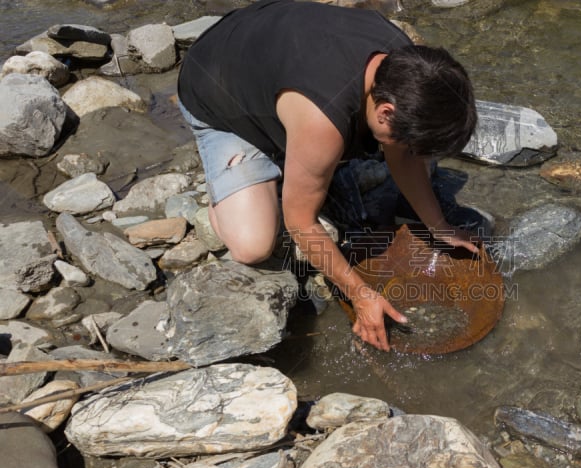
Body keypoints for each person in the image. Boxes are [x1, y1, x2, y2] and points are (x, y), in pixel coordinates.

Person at [178, 0, 478, 351]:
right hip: (214, 89)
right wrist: (359, 294)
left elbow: (405, 158)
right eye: (409, 143)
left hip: (269, 48)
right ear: (385, 112)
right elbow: (300, 222)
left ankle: (291, 151)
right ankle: (228, 188)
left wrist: (438, 225)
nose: (410, 152)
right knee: (253, 245)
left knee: (344, 149)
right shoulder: (322, 121)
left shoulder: (406, 70)